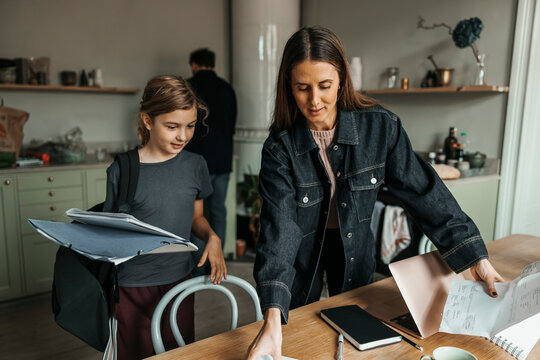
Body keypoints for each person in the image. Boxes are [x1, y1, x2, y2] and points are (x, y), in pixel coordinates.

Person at [246, 27, 504, 360]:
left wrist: (475, 258)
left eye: (324, 86)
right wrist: (270, 318)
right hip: (300, 255)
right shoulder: (279, 148)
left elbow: (425, 193)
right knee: (295, 335)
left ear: (341, 79)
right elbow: (279, 230)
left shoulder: (381, 127)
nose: (314, 100)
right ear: (288, 87)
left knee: (355, 337)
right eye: (302, 88)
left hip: (356, 248)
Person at [103, 75, 227, 360]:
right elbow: (110, 233)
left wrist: (212, 236)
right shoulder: (123, 169)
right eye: (172, 127)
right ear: (148, 121)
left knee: (179, 354)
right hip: (132, 287)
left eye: (190, 126)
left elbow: (197, 217)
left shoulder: (196, 165)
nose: (182, 136)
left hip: (179, 282)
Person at [186, 48, 237, 253]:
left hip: (195, 162)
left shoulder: (188, 87)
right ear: (213, 64)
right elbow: (231, 125)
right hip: (222, 160)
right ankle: (217, 258)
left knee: (196, 215)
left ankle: (199, 264)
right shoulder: (227, 89)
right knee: (218, 212)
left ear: (194, 65)